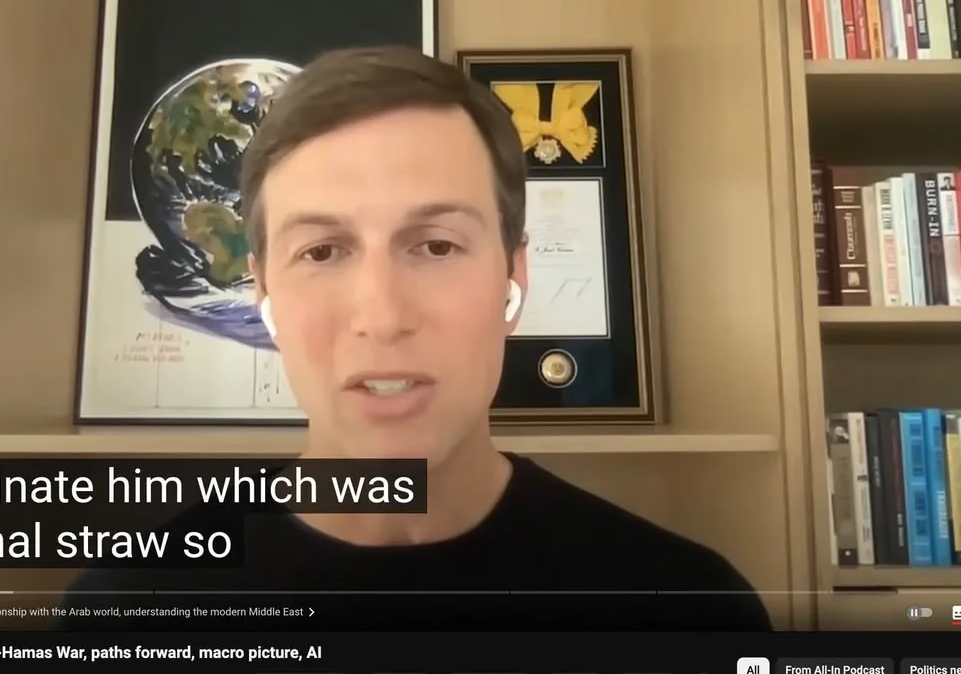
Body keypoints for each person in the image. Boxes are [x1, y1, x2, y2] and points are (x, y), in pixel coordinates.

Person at [62, 47, 771, 631]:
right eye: (322, 251)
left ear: (511, 279)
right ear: (264, 293)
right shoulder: (129, 613)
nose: (382, 315)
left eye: (434, 246)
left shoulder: (689, 608)